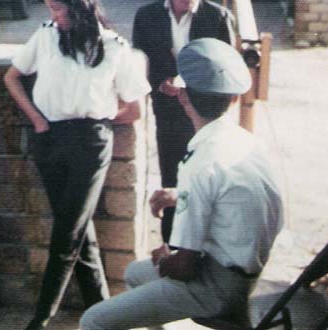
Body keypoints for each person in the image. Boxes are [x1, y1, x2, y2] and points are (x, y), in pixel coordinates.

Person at [80, 38, 284, 330]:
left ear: (183, 97)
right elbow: (233, 195)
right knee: (136, 273)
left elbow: (185, 268)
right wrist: (180, 196)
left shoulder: (201, 162)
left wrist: (165, 260)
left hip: (218, 287)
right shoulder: (245, 142)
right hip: (246, 271)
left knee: (94, 321)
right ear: (234, 98)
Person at [3, 0, 151, 330]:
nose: (54, 15)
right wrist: (37, 119)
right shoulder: (46, 35)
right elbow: (12, 77)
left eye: (58, 8)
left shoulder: (115, 47)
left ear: (80, 4)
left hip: (89, 144)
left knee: (66, 235)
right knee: (80, 233)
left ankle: (40, 319)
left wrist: (98, 118)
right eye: (49, 8)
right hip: (49, 139)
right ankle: (102, 312)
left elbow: (133, 109)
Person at [132, 0, 234, 243]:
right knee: (172, 173)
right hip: (167, 108)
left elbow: (228, 68)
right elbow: (141, 62)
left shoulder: (218, 18)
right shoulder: (147, 16)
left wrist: (194, 86)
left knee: (207, 175)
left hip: (207, 110)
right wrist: (160, 83)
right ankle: (170, 244)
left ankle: (203, 245)